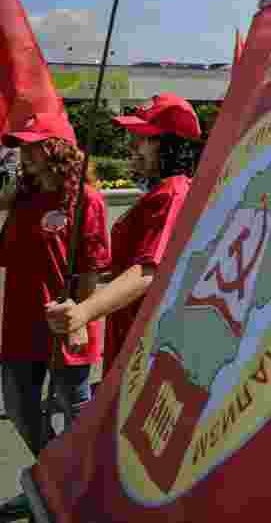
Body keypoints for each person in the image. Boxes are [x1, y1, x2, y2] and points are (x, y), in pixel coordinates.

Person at [46, 93, 202, 378]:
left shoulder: (173, 194)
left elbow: (148, 271)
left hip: (149, 348)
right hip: (133, 337)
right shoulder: (163, 192)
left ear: (172, 146)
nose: (132, 145)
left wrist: (83, 313)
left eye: (143, 138)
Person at [0, 112, 111, 458]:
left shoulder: (86, 199)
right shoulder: (22, 198)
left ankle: (82, 479)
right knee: (19, 408)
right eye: (22, 147)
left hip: (66, 324)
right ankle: (55, 471)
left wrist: (79, 318)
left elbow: (92, 270)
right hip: (20, 325)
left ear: (57, 149)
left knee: (76, 410)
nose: (25, 154)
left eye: (33, 147)